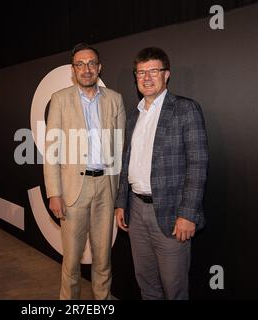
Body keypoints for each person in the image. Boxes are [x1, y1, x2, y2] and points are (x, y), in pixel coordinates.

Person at [114, 47, 208, 300]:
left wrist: (187, 214)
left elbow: (198, 164)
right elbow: (127, 161)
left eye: (153, 71)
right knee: (147, 284)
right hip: (135, 211)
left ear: (166, 75)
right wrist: (121, 202)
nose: (146, 77)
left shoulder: (185, 109)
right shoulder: (135, 115)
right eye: (141, 72)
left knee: (174, 288)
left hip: (170, 214)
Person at [44, 42, 126, 299]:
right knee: (71, 261)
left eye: (91, 63)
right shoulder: (59, 99)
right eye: (80, 64)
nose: (86, 69)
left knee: (103, 257)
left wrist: (120, 195)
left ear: (99, 68)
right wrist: (54, 193)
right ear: (73, 70)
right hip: (72, 190)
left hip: (105, 188)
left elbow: (121, 148)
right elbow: (51, 150)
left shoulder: (115, 99)